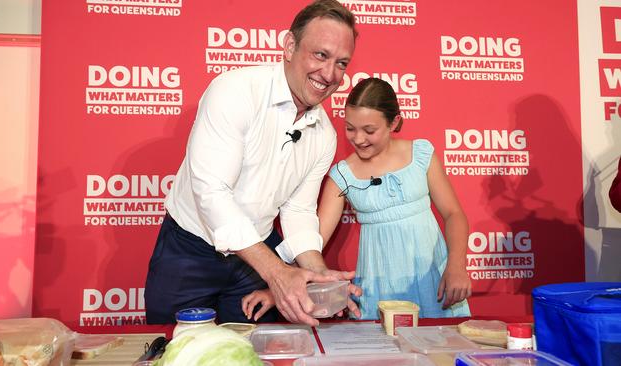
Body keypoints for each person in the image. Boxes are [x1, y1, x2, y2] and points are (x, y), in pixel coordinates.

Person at [144, 0, 360, 327]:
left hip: (252, 264)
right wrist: (277, 272)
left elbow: (298, 210)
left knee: (251, 354)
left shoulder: (325, 134)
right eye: (320, 55)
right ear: (289, 46)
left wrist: (317, 273)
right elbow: (213, 193)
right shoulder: (233, 91)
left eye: (341, 63)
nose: (330, 74)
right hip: (189, 254)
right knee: (174, 353)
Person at [242, 78, 472, 321]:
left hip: (433, 281)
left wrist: (456, 266)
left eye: (369, 130)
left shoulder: (421, 154)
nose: (359, 139)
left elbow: (453, 214)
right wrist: (278, 286)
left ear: (393, 122)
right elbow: (311, 242)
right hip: (378, 289)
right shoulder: (342, 175)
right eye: (350, 128)